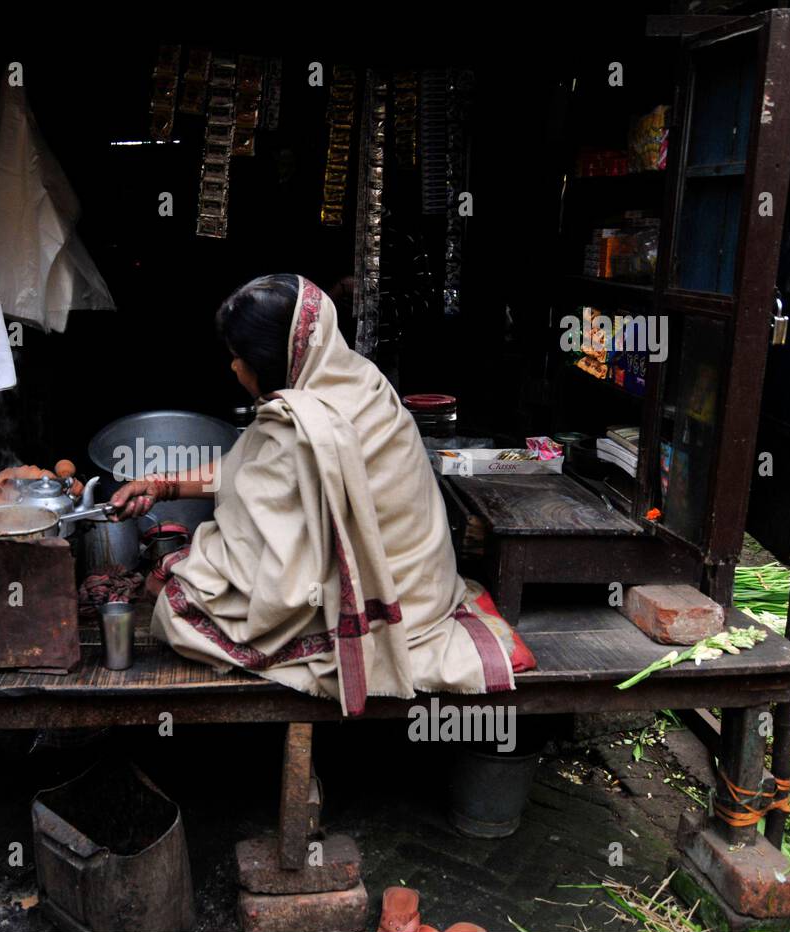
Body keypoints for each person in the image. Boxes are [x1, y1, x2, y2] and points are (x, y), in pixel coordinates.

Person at [110, 274, 530, 715]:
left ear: (273, 360)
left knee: (174, 601)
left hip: (370, 603)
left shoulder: (301, 425)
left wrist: (188, 566)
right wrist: (162, 485)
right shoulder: (357, 380)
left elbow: (276, 569)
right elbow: (247, 472)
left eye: (239, 358)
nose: (233, 369)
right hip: (422, 587)